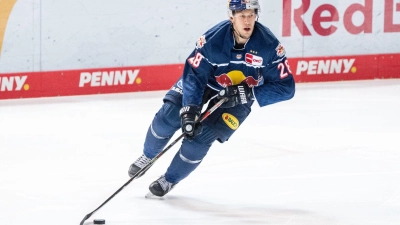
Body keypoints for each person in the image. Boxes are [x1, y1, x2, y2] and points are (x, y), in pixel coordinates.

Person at [128, 0, 295, 197]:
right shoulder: (212, 39)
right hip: (206, 83)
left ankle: (169, 179)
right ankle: (148, 156)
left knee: (199, 140)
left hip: (240, 98)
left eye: (251, 14)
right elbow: (194, 74)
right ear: (231, 17)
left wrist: (248, 93)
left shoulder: (269, 46)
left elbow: (286, 88)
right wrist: (190, 108)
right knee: (169, 117)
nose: (247, 20)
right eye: (242, 15)